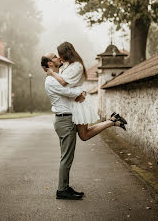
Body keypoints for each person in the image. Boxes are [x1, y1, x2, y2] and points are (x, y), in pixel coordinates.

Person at [47, 42, 127, 142]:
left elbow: (63, 82)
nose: (59, 57)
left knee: (84, 135)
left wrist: (52, 74)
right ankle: (113, 121)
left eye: (60, 54)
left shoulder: (77, 66)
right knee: (83, 134)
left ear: (66, 53)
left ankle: (112, 121)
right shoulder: (66, 65)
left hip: (79, 105)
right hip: (73, 104)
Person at [41, 53, 86, 200]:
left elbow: (69, 87)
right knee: (66, 157)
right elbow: (69, 92)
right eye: (54, 56)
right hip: (64, 121)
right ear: (49, 64)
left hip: (66, 120)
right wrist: (82, 92)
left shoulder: (55, 78)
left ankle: (65, 187)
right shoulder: (51, 81)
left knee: (67, 156)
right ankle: (62, 190)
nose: (58, 57)